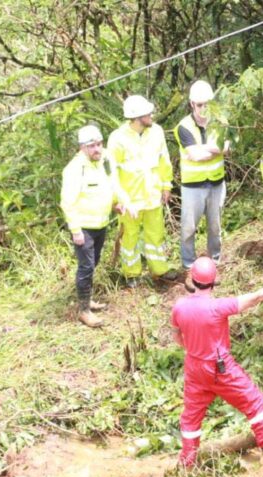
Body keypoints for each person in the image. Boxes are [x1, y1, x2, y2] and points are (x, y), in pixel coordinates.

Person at [171, 256, 263, 469]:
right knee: (254, 403)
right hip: (219, 367)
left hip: (194, 366)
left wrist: (193, 349)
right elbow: (256, 297)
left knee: (191, 417)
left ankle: (187, 463)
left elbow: (177, 336)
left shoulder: (179, 306)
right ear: (214, 280)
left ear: (192, 279)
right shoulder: (217, 307)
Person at [60, 125, 129, 327]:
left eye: (99, 144)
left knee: (94, 262)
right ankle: (83, 310)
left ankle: (87, 298)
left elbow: (111, 184)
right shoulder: (74, 169)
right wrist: (75, 230)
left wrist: (116, 203)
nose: (97, 149)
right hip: (84, 227)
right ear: (82, 148)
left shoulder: (104, 160)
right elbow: (67, 202)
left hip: (101, 222)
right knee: (86, 266)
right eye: (92, 146)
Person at [107, 95, 179, 286]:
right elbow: (112, 173)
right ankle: (131, 274)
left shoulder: (156, 132)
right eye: (148, 113)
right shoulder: (117, 139)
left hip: (153, 195)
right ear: (137, 117)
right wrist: (117, 200)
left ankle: (160, 270)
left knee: (156, 235)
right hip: (130, 200)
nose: (152, 115)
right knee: (129, 237)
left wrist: (166, 185)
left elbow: (164, 160)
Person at [174, 80, 230, 270]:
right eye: (199, 104)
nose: (203, 108)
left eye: (207, 104)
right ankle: (189, 265)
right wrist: (216, 149)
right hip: (193, 186)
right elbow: (195, 156)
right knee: (189, 228)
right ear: (191, 104)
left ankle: (214, 261)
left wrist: (204, 149)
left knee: (215, 226)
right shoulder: (184, 126)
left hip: (216, 183)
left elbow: (227, 148)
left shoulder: (220, 121)